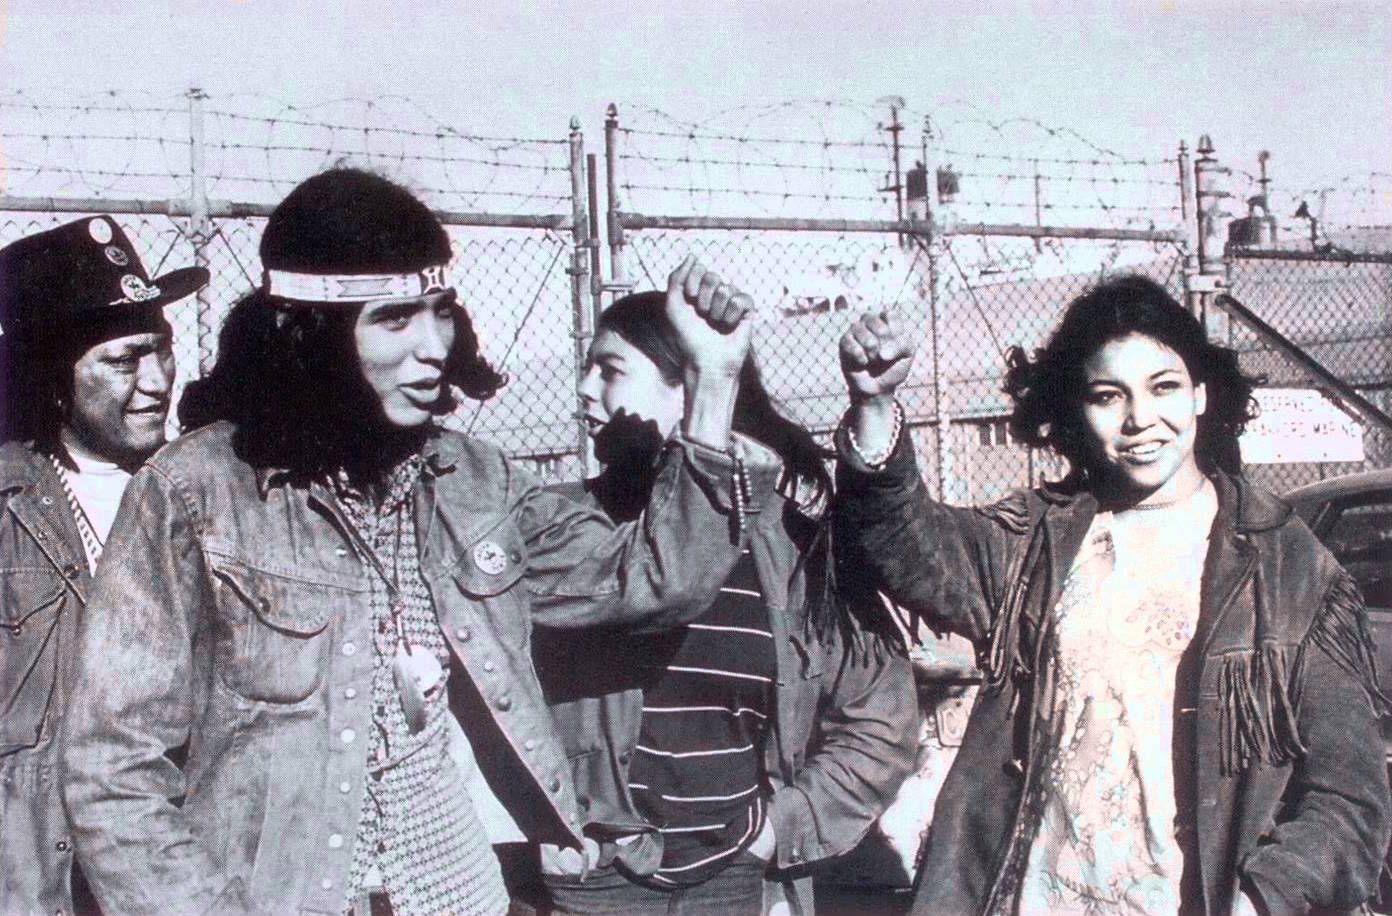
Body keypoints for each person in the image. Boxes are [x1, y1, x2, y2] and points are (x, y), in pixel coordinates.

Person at [59, 168, 778, 916]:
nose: (435, 344)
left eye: (440, 310)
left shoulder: (474, 483)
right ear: (311, 334)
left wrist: (716, 379)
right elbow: (113, 770)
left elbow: (655, 581)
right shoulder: (195, 491)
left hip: (456, 896)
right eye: (395, 317)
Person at [834, 274, 1391, 915]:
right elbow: (908, 550)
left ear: (1202, 394)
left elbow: (1349, 794)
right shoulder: (1035, 542)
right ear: (1076, 409)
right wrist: (875, 407)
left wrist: (1267, 898)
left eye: (1163, 387)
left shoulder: (1287, 565)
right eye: (1109, 395)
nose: (1139, 419)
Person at [532, 291, 918, 915]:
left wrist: (778, 830)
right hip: (594, 882)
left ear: (691, 385)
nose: (582, 389)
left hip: (734, 882)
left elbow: (881, 714)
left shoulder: (791, 545)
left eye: (609, 369)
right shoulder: (567, 528)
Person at [0, 215, 207, 915]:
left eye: (162, 351)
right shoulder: (8, 508)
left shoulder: (209, 491)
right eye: (123, 361)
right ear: (55, 377)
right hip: (42, 876)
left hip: (179, 859)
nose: (156, 383)